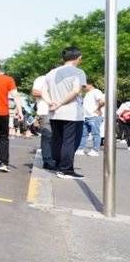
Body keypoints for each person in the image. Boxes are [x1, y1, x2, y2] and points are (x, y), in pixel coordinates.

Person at [42, 47, 87, 179]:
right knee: (71, 142)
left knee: (58, 140)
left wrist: (51, 103)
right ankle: (66, 169)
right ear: (78, 58)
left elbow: (44, 91)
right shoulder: (78, 72)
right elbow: (75, 91)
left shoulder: (51, 73)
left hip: (54, 113)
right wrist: (60, 103)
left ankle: (59, 166)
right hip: (71, 113)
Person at [32, 73, 55, 169]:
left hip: (60, 112)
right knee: (47, 136)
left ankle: (55, 159)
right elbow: (34, 92)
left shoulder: (62, 80)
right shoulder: (42, 79)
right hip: (45, 112)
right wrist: (46, 93)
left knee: (57, 137)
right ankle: (47, 161)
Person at [77, 81, 105, 157]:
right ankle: (81, 149)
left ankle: (95, 150)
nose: (83, 88)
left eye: (84, 86)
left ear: (89, 84)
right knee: (83, 134)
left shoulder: (96, 91)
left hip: (94, 116)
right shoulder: (87, 93)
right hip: (86, 116)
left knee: (95, 133)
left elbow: (102, 101)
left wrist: (98, 109)